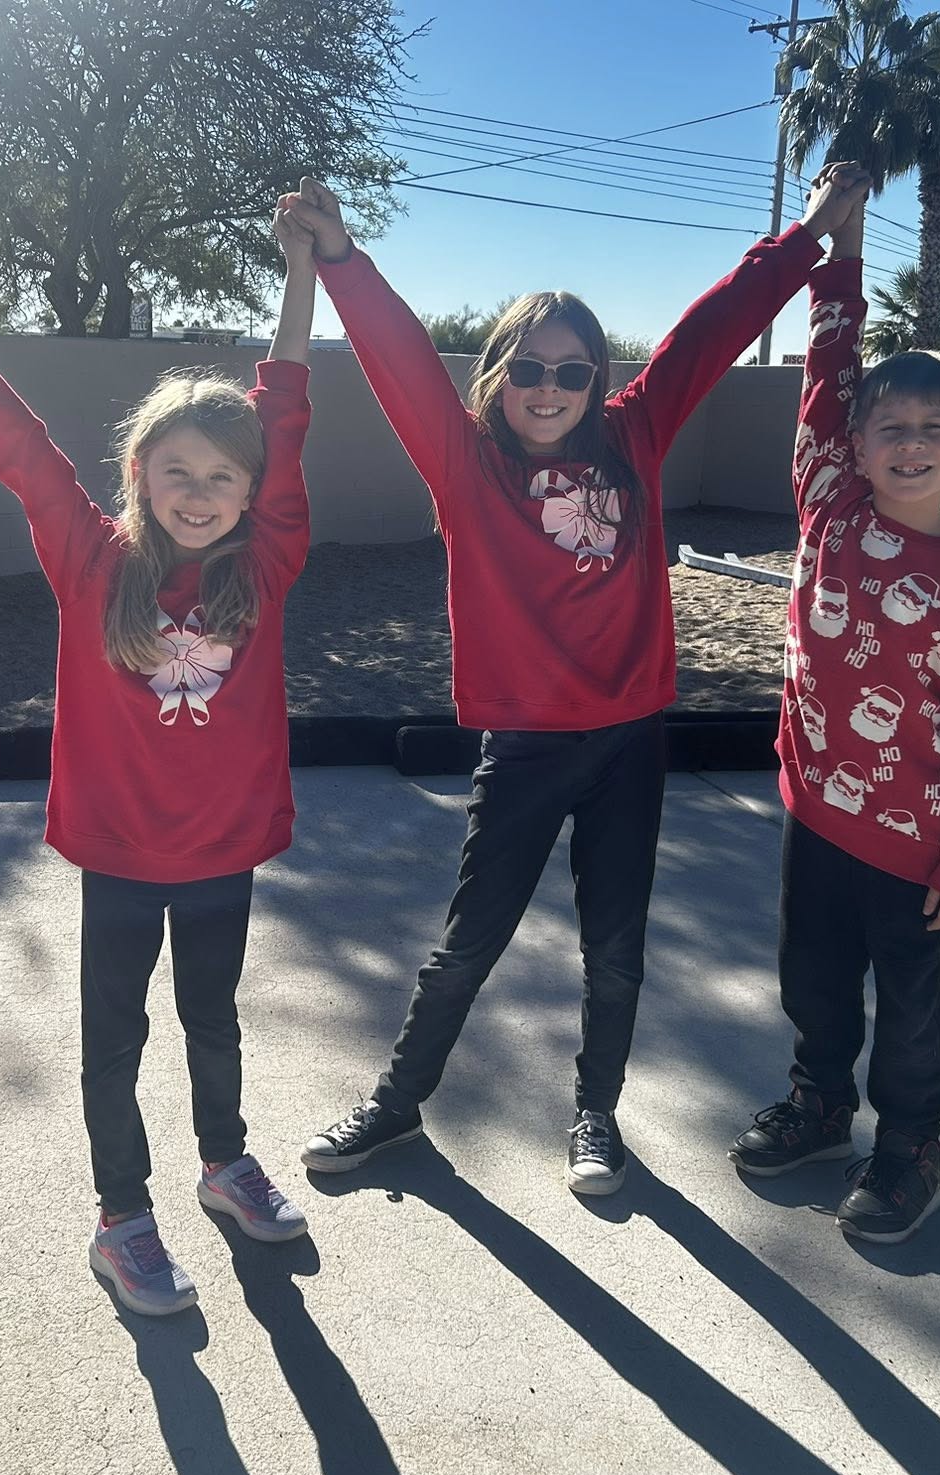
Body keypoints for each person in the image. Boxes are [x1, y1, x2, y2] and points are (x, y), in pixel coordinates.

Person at [285, 171, 869, 1194]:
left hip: (629, 744)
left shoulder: (634, 438)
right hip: (524, 750)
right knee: (468, 946)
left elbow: (708, 334)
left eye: (570, 370)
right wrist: (340, 259)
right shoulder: (467, 465)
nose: (547, 387)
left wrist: (808, 236)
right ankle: (396, 1105)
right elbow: (400, 358)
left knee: (616, 950)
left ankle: (595, 1117)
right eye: (527, 368)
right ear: (498, 375)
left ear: (597, 381)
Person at [0, 201, 317, 1316]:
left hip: (222, 853)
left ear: (252, 491)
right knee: (114, 1044)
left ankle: (223, 1162)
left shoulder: (265, 566)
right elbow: (25, 456)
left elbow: (285, 408)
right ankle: (120, 1217)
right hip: (122, 858)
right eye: (178, 471)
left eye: (223, 476)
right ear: (140, 473)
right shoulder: (90, 560)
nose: (200, 493)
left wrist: (301, 273)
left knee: (214, 1023)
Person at [726, 172, 940, 1245]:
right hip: (815, 811)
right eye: (889, 425)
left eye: (932, 428)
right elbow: (827, 369)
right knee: (810, 980)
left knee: (906, 1006)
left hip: (914, 840)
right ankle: (818, 1106)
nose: (908, 442)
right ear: (853, 446)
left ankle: (907, 1147)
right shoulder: (831, 506)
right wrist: (842, 248)